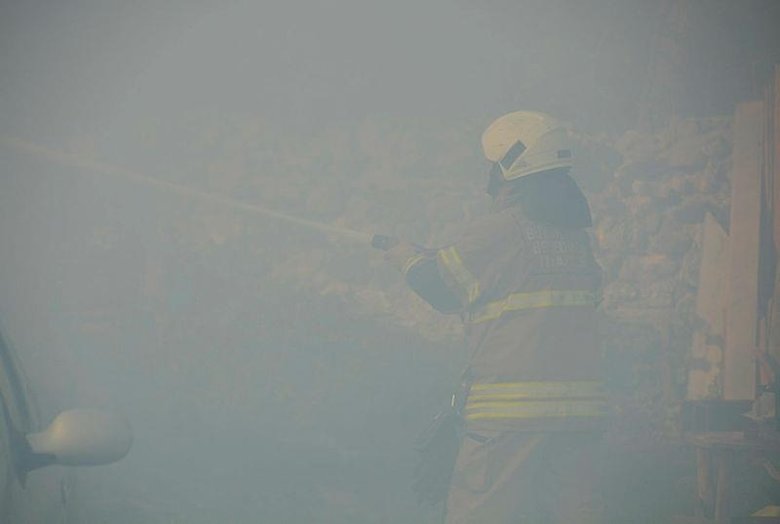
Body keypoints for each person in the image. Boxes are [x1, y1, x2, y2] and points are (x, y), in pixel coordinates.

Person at [385, 111, 607, 523]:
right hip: (578, 419)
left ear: (509, 169)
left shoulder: (498, 230)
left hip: (509, 420)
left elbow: (440, 288)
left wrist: (403, 257)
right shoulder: (575, 240)